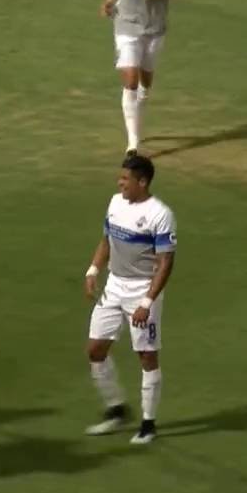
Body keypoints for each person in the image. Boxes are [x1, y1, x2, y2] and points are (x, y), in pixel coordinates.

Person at [83, 154, 176, 444]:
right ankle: (117, 409)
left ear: (142, 182)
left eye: (125, 179)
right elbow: (106, 240)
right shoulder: (115, 202)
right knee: (95, 351)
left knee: (147, 356)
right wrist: (93, 268)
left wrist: (147, 303)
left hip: (142, 290)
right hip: (114, 286)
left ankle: (148, 424)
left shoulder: (160, 214)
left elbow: (165, 263)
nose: (119, 182)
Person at [100, 0, 186, 155]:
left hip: (154, 26)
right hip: (126, 23)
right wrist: (110, 0)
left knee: (145, 79)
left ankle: (143, 95)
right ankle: (133, 143)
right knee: (130, 79)